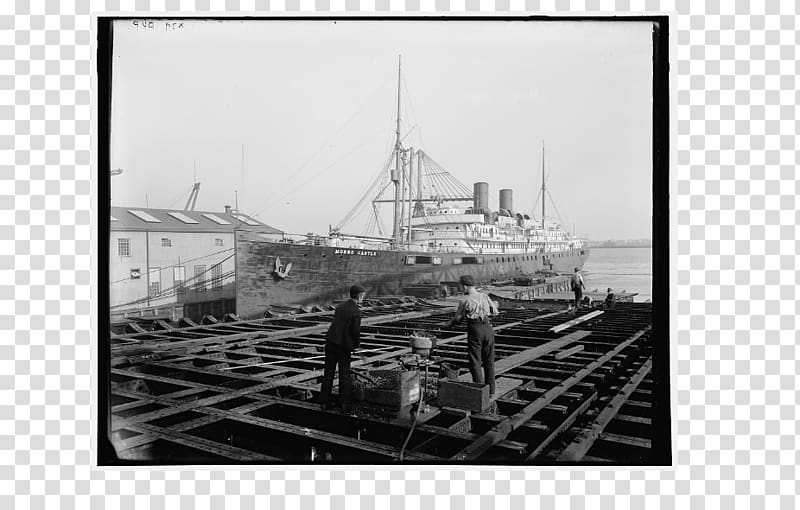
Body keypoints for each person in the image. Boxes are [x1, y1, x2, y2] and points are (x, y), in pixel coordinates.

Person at [446, 275, 499, 395]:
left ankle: (480, 391)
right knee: (489, 361)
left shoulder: (464, 300)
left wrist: (448, 324)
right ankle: (491, 390)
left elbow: (457, 319)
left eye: (461, 286)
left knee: (475, 361)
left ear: (465, 286)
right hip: (488, 328)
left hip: (475, 329)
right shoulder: (485, 296)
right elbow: (495, 312)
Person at [320, 284, 365, 412]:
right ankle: (344, 404)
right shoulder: (356, 311)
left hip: (330, 343)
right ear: (359, 296)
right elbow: (355, 332)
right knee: (344, 375)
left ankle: (324, 403)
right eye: (363, 296)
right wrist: (356, 346)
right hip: (343, 347)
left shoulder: (340, 307)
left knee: (328, 373)